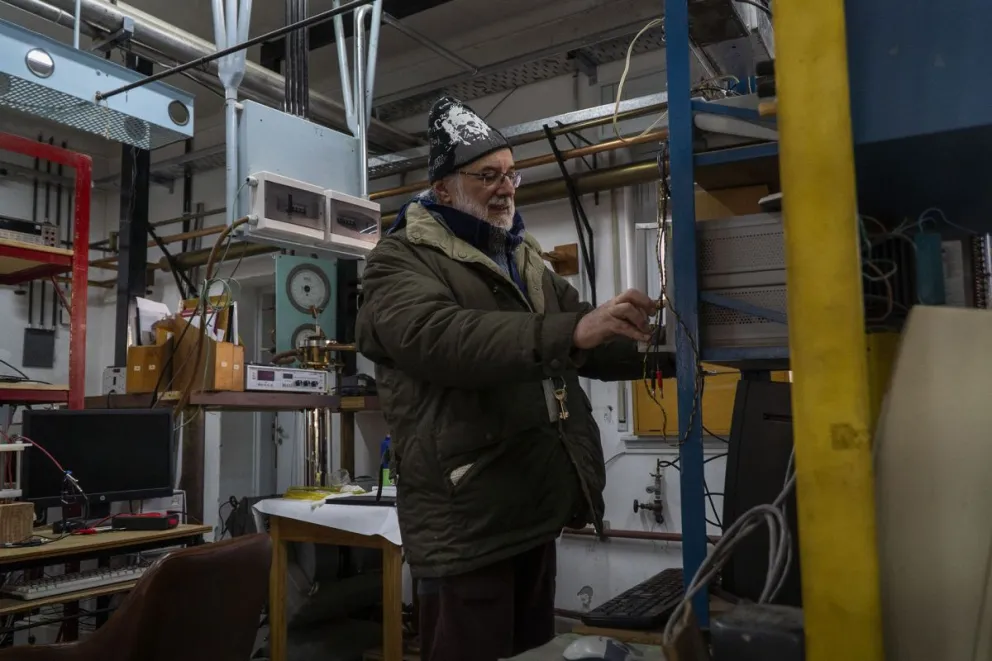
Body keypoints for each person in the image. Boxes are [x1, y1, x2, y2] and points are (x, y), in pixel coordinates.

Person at [356, 96, 673, 661]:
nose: (506, 188)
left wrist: (672, 348)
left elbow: (588, 337)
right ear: (445, 186)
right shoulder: (398, 260)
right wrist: (573, 331)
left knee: (535, 654)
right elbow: (443, 338)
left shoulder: (521, 258)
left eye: (511, 174)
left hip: (530, 505)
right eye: (487, 176)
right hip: (468, 516)